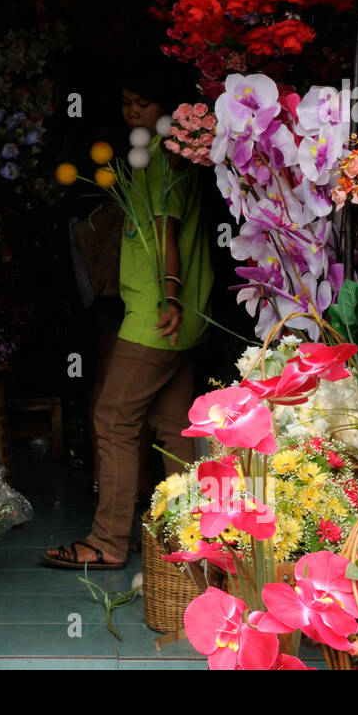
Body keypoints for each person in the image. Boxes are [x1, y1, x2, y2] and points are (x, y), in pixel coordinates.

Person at [42, 67, 214, 570]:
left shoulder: (162, 159)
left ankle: (107, 541)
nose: (131, 112)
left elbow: (165, 229)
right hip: (179, 316)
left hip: (157, 316)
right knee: (173, 427)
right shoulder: (169, 156)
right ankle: (192, 538)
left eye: (142, 103)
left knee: (113, 419)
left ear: (166, 108)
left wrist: (169, 295)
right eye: (126, 103)